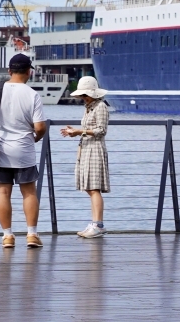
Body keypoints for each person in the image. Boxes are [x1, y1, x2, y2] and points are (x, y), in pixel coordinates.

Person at [0, 53, 48, 248]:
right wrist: (36, 137)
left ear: (9, 71)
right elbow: (40, 126)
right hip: (24, 148)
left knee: (2, 192)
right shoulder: (32, 94)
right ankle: (32, 235)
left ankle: (8, 236)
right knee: (29, 192)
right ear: (29, 71)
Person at [60, 76, 111, 238]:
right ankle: (95, 223)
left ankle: (98, 225)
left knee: (94, 188)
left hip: (95, 148)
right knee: (90, 188)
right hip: (86, 148)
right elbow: (89, 129)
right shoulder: (89, 107)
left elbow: (101, 130)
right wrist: (74, 132)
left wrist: (78, 131)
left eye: (84, 95)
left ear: (92, 94)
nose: (82, 98)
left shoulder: (100, 107)